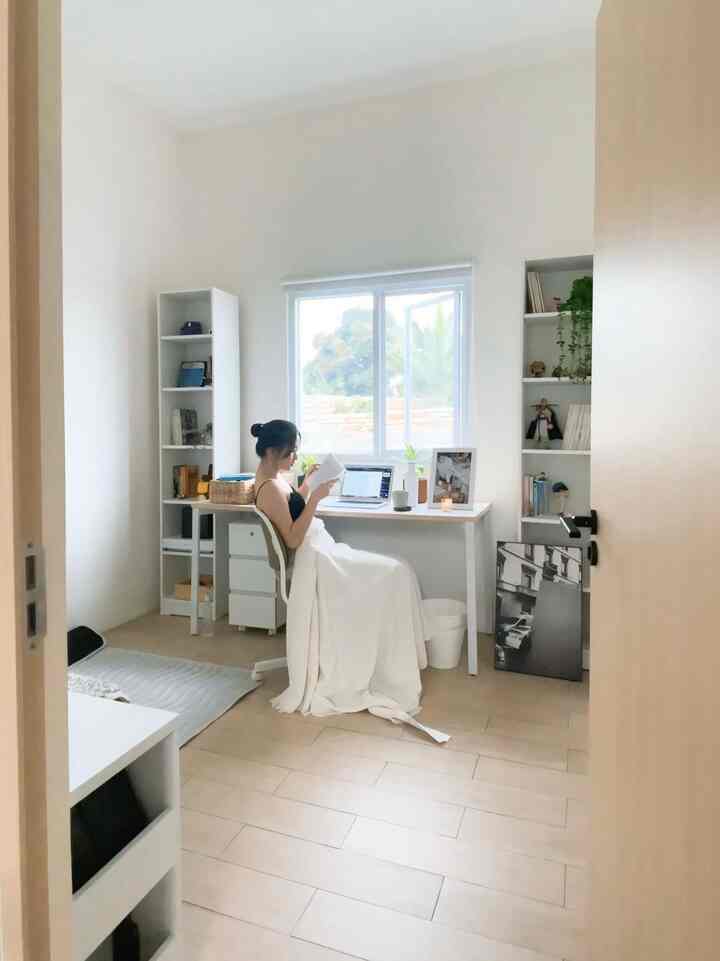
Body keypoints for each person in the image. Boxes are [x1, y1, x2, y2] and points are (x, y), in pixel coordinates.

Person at [250, 420, 432, 731]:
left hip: (322, 549)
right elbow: (292, 538)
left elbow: (292, 508)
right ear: (271, 451)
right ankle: (391, 667)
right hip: (315, 559)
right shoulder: (268, 489)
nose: (295, 457)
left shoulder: (274, 479)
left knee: (399, 567)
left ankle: (398, 660)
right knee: (395, 572)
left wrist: (309, 485)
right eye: (291, 452)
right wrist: (316, 499)